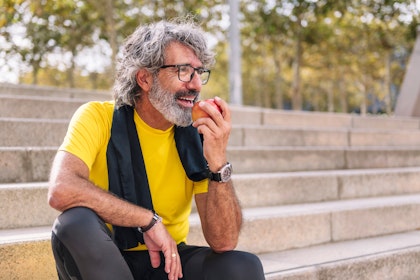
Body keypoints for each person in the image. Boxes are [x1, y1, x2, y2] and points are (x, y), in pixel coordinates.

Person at [48, 18, 265, 280]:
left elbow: (224, 241)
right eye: (184, 70)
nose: (196, 84)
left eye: (199, 72)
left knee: (241, 267)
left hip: (168, 263)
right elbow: (62, 189)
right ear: (145, 78)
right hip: (104, 260)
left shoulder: (198, 135)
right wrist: (147, 219)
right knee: (74, 224)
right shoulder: (97, 117)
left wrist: (218, 162)